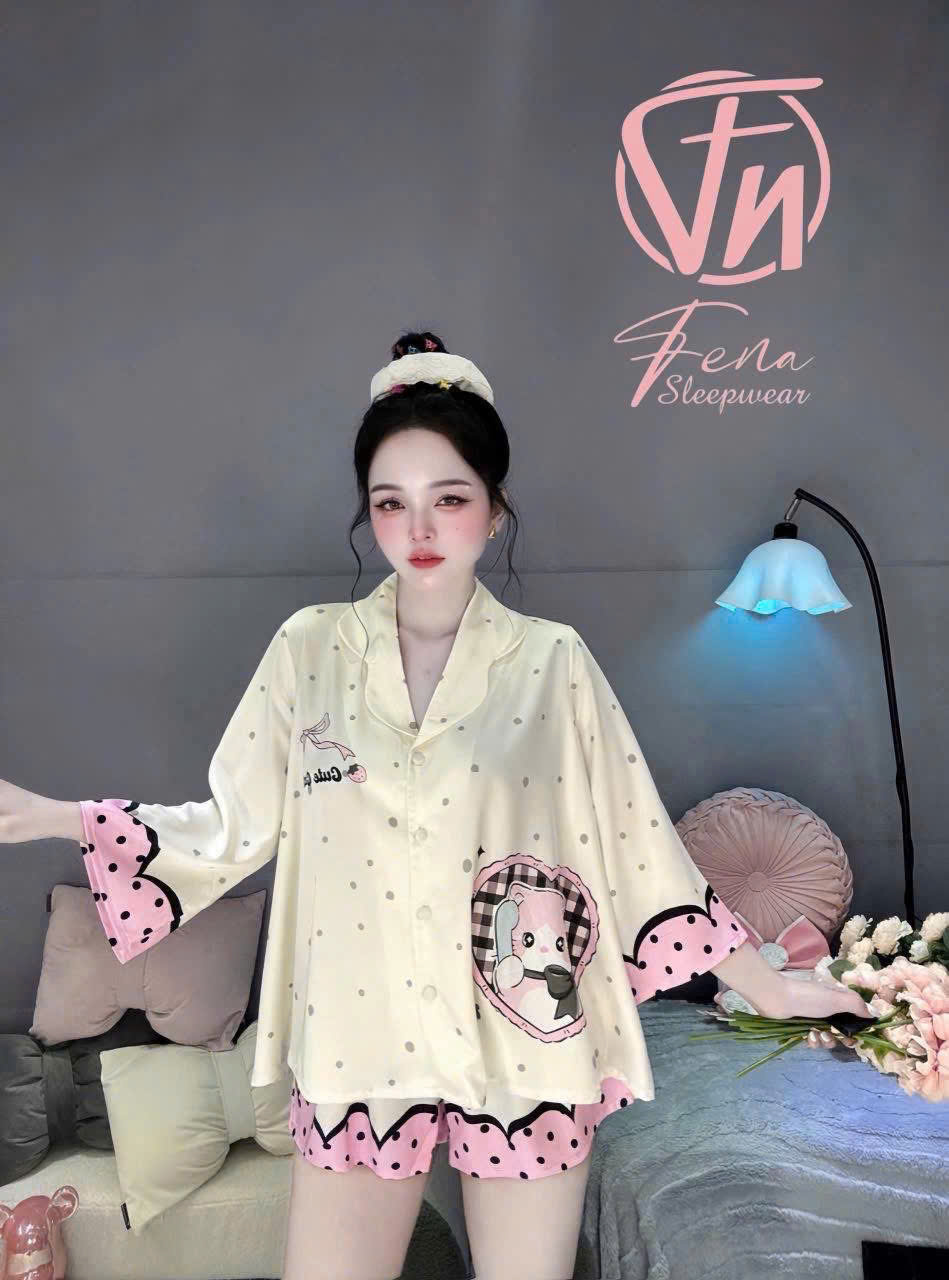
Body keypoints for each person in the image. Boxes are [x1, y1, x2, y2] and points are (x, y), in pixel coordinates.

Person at [0, 330, 867, 1280]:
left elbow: (639, 847)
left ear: (494, 510)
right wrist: (57, 815)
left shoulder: (552, 663)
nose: (418, 528)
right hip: (359, 1040)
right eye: (390, 502)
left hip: (523, 1042)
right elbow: (229, 825)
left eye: (448, 498)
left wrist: (767, 987)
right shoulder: (309, 652)